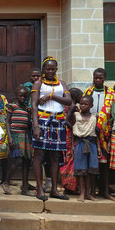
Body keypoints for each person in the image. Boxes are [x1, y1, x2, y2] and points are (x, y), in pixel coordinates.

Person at [31, 57, 72, 201]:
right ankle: (39, 187)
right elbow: (34, 105)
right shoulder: (38, 83)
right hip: (42, 121)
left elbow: (68, 101)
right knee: (39, 155)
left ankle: (54, 189)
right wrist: (35, 126)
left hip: (58, 121)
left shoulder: (62, 83)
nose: (50, 71)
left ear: (56, 69)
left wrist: (51, 96)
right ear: (43, 69)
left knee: (55, 156)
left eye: (53, 69)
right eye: (47, 69)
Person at [84, 68, 115, 199]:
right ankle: (91, 190)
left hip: (105, 130)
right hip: (90, 129)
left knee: (105, 162)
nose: (97, 80)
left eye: (100, 78)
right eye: (95, 77)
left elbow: (113, 112)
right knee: (91, 160)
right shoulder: (88, 91)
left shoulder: (111, 93)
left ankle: (105, 190)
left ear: (104, 78)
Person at [68, 95, 100, 202]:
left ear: (91, 105)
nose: (83, 106)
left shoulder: (95, 117)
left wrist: (99, 147)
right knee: (81, 170)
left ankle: (89, 193)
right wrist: (73, 145)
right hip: (80, 143)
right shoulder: (76, 115)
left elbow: (97, 134)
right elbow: (73, 131)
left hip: (91, 144)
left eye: (86, 104)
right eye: (81, 103)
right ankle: (81, 193)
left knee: (91, 171)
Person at [3, 86, 32, 195]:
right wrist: (9, 137)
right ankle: (6, 182)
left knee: (26, 161)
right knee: (18, 160)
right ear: (16, 95)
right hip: (15, 135)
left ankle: (24, 186)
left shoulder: (26, 108)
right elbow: (8, 122)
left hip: (24, 136)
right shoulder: (12, 106)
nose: (23, 98)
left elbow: (28, 123)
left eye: (25, 96)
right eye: (21, 95)